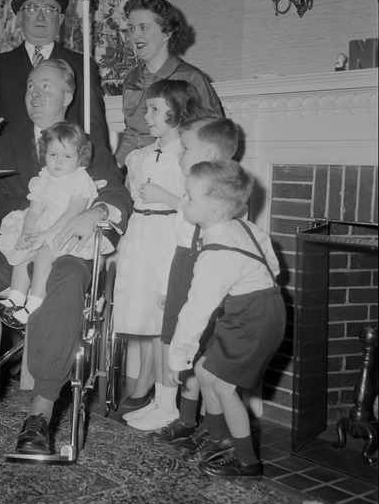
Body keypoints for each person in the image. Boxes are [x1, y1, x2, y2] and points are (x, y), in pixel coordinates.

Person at [0, 59, 131, 456]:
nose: (34, 93)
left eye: (46, 87)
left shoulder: (87, 145)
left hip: (63, 247)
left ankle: (39, 414)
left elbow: (118, 196)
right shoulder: (4, 139)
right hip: (11, 245)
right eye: (31, 85)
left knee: (68, 277)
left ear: (68, 97)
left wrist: (94, 213)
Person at [168, 160, 286, 479]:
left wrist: (178, 355)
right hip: (261, 306)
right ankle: (219, 438)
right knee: (205, 371)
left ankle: (248, 461)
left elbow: (196, 310)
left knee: (223, 386)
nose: (182, 201)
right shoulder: (239, 225)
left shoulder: (216, 257)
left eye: (190, 197)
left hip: (255, 317)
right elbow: (269, 258)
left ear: (216, 212)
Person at [145, 116, 242, 448]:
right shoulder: (192, 189)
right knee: (177, 341)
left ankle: (209, 425)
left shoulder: (228, 195)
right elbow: (180, 236)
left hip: (205, 269)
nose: (178, 154)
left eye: (185, 148)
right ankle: (185, 419)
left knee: (201, 347)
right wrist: (166, 287)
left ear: (210, 155)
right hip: (182, 264)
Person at [112, 79, 198, 431]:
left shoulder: (188, 156)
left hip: (168, 242)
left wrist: (165, 196)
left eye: (154, 110)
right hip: (142, 240)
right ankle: (160, 401)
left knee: (167, 328)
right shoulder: (140, 157)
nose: (145, 116)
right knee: (148, 321)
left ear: (177, 114)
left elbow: (195, 210)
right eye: (146, 108)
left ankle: (168, 404)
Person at [0, 0, 111, 152]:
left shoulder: (81, 64)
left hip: (65, 168)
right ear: (19, 16)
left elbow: (94, 127)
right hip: (12, 172)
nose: (40, 16)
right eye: (32, 8)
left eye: (50, 10)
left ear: (61, 18)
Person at [0, 121, 108, 328]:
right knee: (23, 251)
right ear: (43, 153)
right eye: (52, 155)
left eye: (67, 156)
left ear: (80, 157)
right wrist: (26, 234)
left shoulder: (80, 180)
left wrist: (48, 234)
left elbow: (74, 211)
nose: (58, 162)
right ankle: (16, 297)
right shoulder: (43, 179)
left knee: (44, 255)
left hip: (67, 229)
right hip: (44, 226)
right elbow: (34, 210)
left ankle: (35, 303)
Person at [114, 0, 224, 168]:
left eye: (144, 27)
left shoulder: (191, 78)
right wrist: (113, 168)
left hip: (179, 173)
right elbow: (131, 135)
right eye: (132, 28)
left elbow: (214, 136)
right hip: (139, 171)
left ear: (166, 34)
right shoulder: (130, 80)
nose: (135, 36)